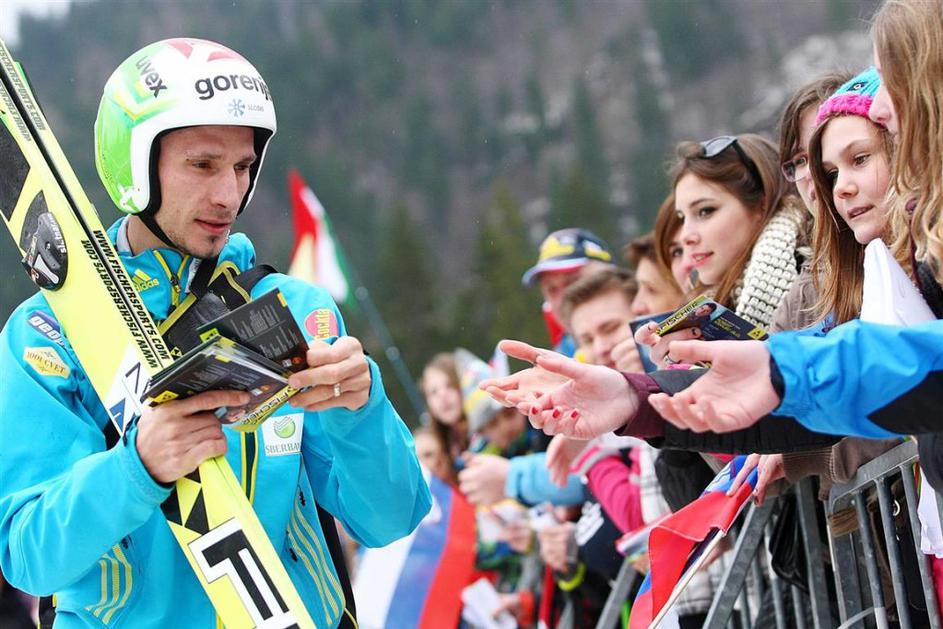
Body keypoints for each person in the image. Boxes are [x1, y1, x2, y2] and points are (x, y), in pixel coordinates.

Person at [0, 38, 430, 628]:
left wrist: (361, 408)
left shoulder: (295, 307)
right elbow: (28, 556)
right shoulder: (49, 332)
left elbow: (390, 520)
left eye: (243, 167)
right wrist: (136, 468)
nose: (229, 194)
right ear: (134, 166)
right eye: (203, 165)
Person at [635, 133, 808, 365]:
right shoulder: (708, 309)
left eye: (705, 211)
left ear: (762, 204)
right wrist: (672, 380)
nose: (686, 236)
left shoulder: (819, 276)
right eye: (682, 217)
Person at [521, 228, 614, 357]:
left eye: (573, 282)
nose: (562, 299)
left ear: (613, 280)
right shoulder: (557, 365)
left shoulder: (649, 333)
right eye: (551, 290)